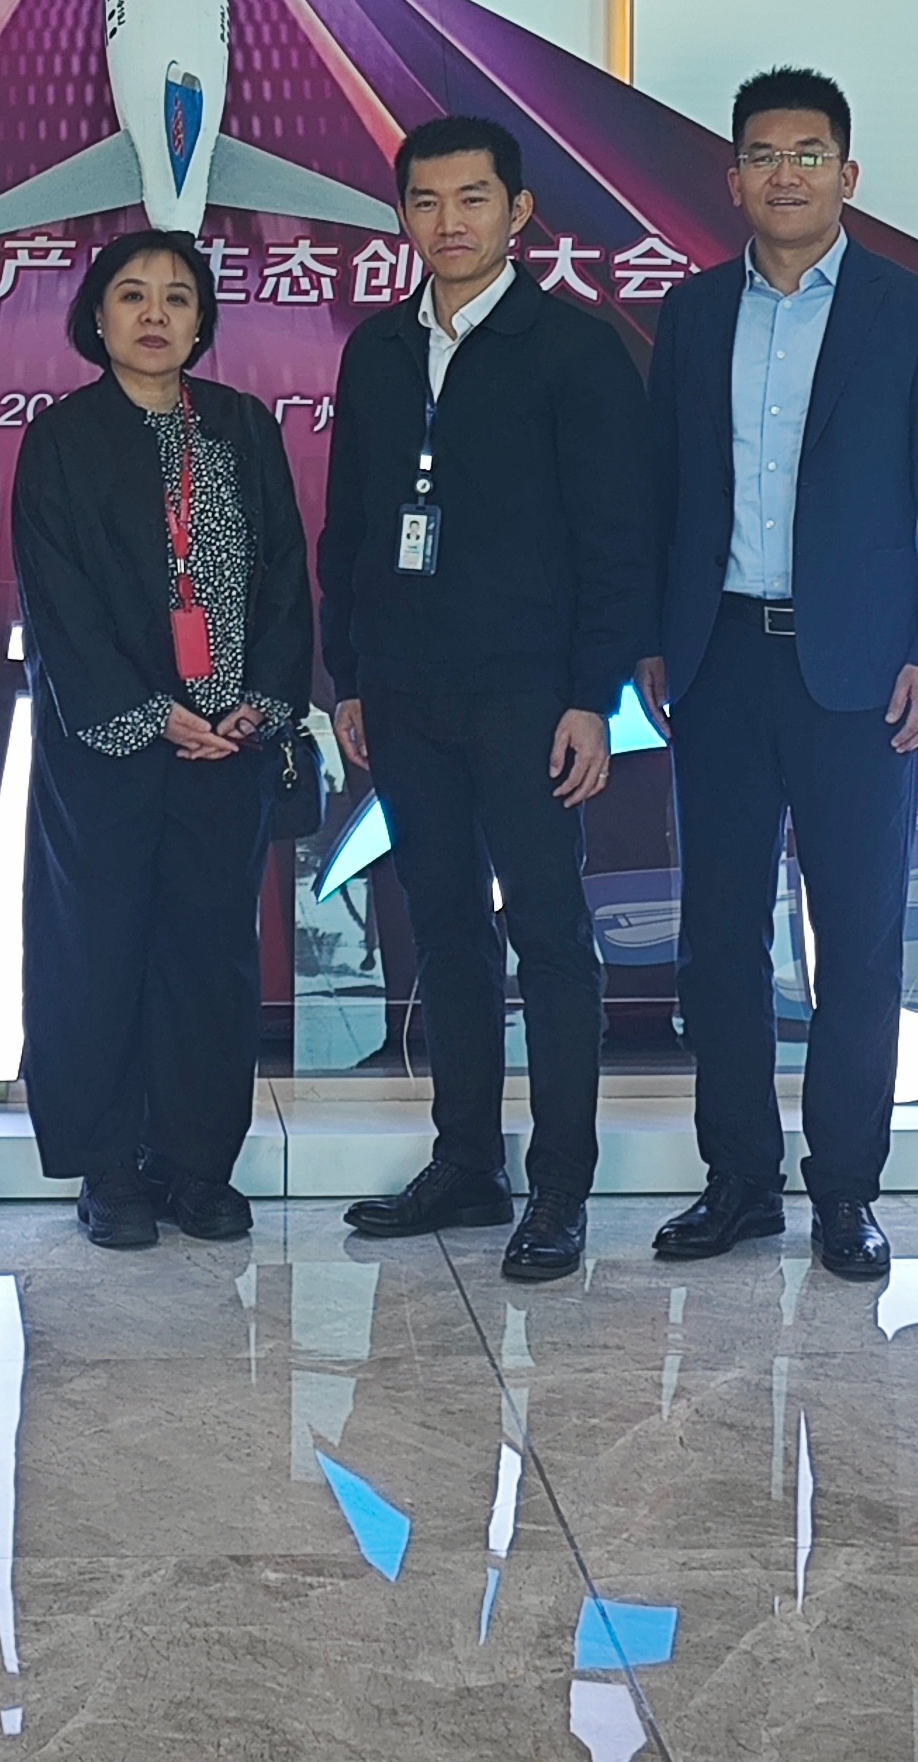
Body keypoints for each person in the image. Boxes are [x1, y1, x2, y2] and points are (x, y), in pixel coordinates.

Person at [641, 66, 918, 1281]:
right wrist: (654, 639)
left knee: (857, 939)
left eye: (805, 154)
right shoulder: (692, 314)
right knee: (717, 936)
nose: (781, 173)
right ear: (732, 177)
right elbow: (665, 495)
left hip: (861, 673)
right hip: (720, 658)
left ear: (846, 174)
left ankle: (845, 1189)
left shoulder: (912, 311)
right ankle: (739, 1179)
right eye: (760, 154)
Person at [316, 115, 651, 1284]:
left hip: (528, 696)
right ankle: (465, 1160)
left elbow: (617, 541)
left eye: (471, 199)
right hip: (404, 693)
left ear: (517, 212)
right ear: (401, 215)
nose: (447, 221)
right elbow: (349, 527)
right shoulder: (375, 349)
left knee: (548, 934)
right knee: (444, 926)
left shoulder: (575, 349)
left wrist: (590, 696)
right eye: (425, 200)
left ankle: (559, 1185)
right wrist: (349, 677)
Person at [10, 231, 314, 1250]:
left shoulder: (240, 426)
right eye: (132, 295)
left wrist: (257, 704)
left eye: (177, 297)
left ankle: (196, 1165)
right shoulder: (62, 437)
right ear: (95, 317)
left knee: (209, 958)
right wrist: (147, 713)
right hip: (106, 750)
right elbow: (57, 602)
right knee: (95, 950)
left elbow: (285, 576)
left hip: (227, 748)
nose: (154, 314)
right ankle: (108, 1168)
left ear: (201, 321)